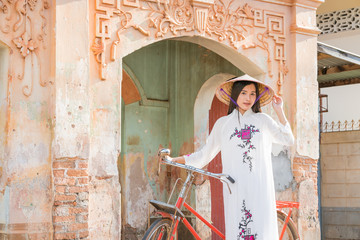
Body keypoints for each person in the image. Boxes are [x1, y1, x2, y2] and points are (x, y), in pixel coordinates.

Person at [171, 74, 294, 240]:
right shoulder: (223, 124)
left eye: (252, 94)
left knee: (262, 231)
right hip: (234, 187)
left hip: (260, 187)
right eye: (243, 92)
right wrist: (174, 160)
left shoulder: (263, 120)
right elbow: (204, 154)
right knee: (238, 229)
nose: (248, 98)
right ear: (234, 94)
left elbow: (288, 139)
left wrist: (279, 110)